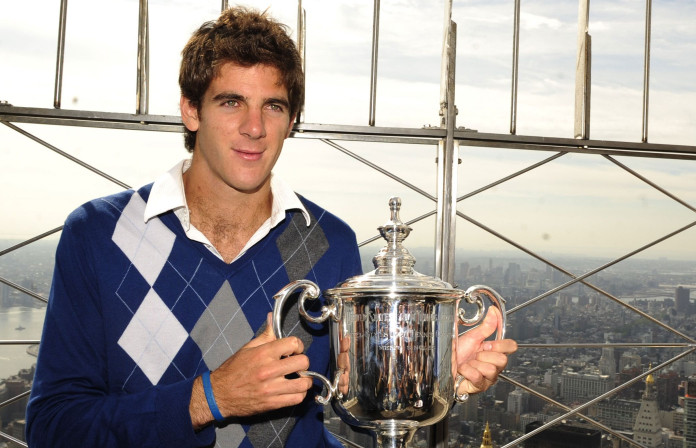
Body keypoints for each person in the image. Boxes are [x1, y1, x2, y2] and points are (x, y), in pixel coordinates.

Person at [25, 6, 517, 448]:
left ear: (292, 119)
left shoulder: (330, 243)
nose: (254, 127)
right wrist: (208, 399)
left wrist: (428, 372)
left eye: (273, 106)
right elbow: (53, 428)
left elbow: (345, 399)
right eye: (231, 102)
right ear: (190, 110)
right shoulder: (99, 236)